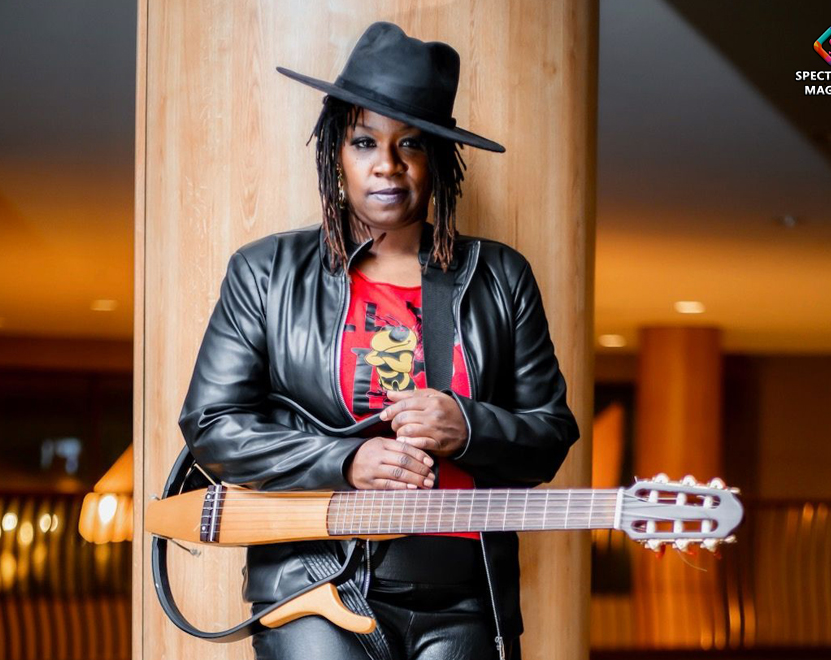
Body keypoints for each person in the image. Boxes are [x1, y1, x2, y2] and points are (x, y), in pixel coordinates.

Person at [178, 22, 579, 660]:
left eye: (410, 145)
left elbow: (551, 435)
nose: (387, 166)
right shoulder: (267, 272)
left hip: (465, 598)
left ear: (439, 162)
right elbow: (212, 424)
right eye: (365, 141)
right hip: (312, 583)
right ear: (336, 150)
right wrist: (344, 463)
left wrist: (468, 427)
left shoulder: (501, 278)